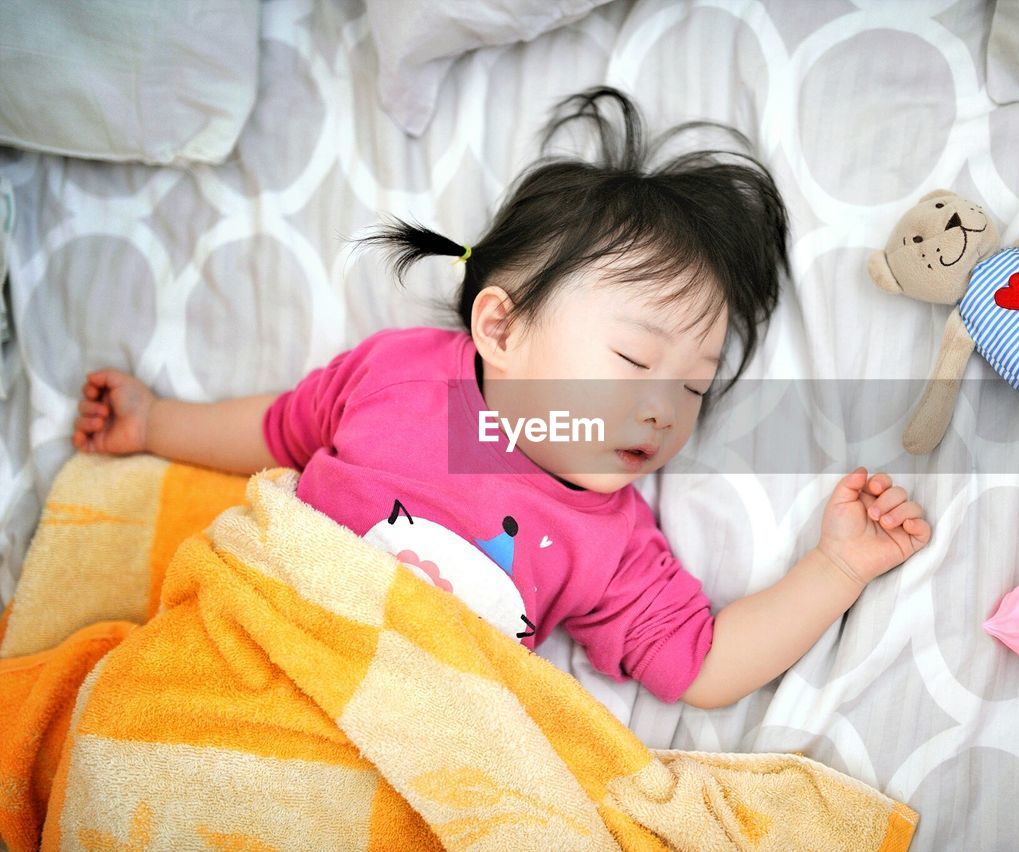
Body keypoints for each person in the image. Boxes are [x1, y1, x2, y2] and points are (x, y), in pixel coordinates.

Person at [71, 88, 930, 710]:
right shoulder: (401, 378)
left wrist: (838, 569)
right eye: (634, 357)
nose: (666, 406)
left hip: (403, 727)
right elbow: (276, 429)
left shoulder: (613, 540)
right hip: (256, 652)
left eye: (694, 385)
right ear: (503, 330)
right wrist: (155, 423)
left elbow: (699, 666)